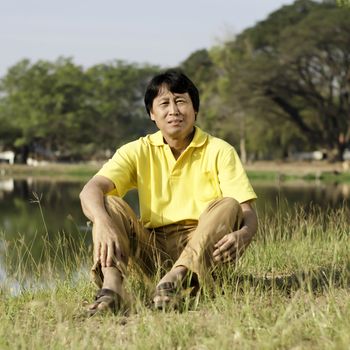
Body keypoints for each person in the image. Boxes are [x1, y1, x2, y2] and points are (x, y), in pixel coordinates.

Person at [79, 70, 258, 315]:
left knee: (228, 204)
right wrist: (101, 221)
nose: (173, 110)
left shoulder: (220, 150)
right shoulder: (137, 150)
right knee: (108, 203)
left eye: (181, 101)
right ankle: (112, 289)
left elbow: (247, 211)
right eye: (164, 103)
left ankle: (176, 279)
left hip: (203, 249)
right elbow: (90, 189)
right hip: (152, 249)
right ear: (153, 114)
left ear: (195, 110)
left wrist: (245, 234)